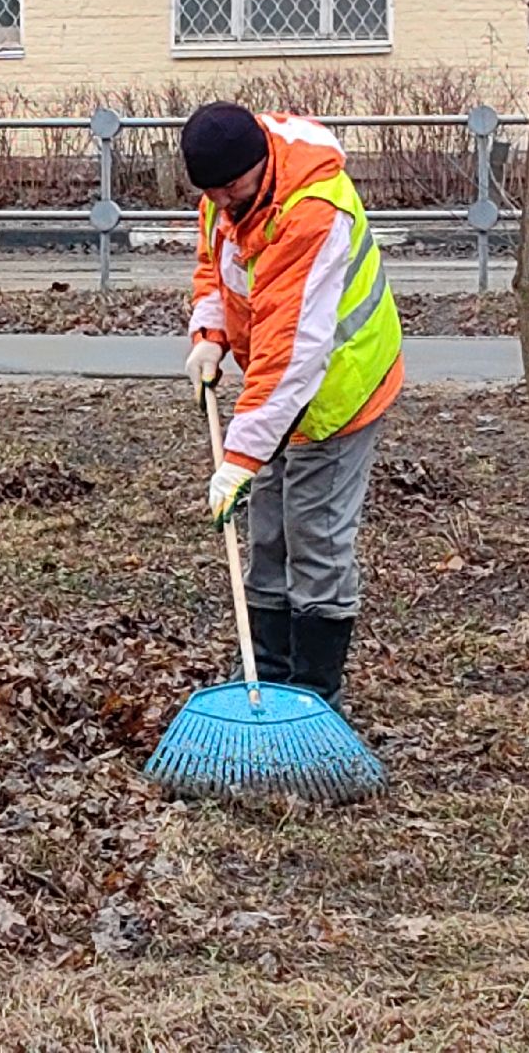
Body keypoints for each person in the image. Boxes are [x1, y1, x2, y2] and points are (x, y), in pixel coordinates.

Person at [180, 101, 404, 715]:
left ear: (258, 166)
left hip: (341, 383)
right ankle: (268, 669)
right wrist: (209, 334)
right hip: (277, 386)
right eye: (212, 194)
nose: (223, 203)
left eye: (232, 190)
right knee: (269, 527)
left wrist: (239, 457)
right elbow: (215, 266)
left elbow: (294, 353)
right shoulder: (227, 188)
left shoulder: (311, 213)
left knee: (316, 532)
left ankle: (315, 691)